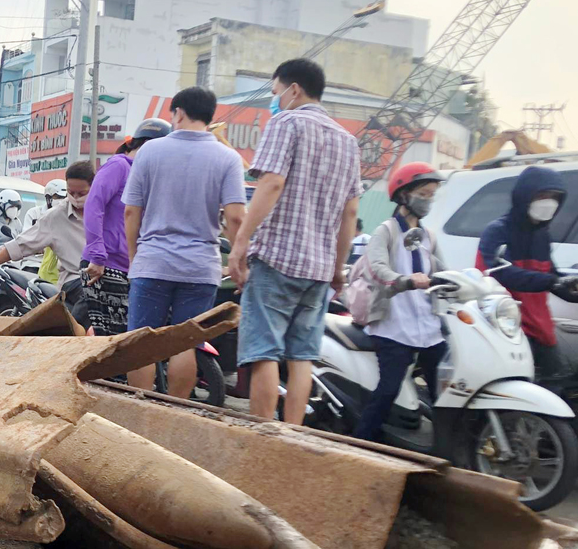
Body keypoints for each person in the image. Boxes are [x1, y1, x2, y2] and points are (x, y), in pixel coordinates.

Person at [229, 58, 361, 423]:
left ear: (294, 89)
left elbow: (271, 183)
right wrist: (338, 268)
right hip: (319, 269)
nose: (275, 100)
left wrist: (240, 245)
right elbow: (350, 212)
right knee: (302, 356)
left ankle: (263, 438)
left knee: (263, 352)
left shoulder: (286, 122)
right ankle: (293, 435)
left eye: (275, 92)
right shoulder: (347, 141)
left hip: (277, 259)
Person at [122, 88, 246, 397]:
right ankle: (176, 410)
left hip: (153, 262)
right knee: (186, 342)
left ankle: (140, 408)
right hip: (200, 267)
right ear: (210, 116)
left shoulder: (149, 152)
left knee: (141, 343)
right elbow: (235, 218)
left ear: (177, 113)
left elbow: (130, 212)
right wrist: (238, 260)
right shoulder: (228, 157)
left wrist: (136, 257)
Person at [352, 162, 447, 442]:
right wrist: (403, 280)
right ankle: (361, 443)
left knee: (444, 389)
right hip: (393, 325)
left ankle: (448, 449)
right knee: (389, 388)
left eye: (432, 195)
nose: (428, 200)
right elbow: (377, 267)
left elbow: (442, 270)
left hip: (429, 326)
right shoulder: (387, 230)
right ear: (404, 195)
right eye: (423, 193)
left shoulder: (429, 236)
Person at [476, 166, 578, 378]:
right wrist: (552, 282)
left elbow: (551, 275)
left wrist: (572, 285)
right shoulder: (498, 231)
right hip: (509, 329)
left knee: (556, 387)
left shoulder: (542, 235)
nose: (548, 202)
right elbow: (502, 274)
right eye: (543, 195)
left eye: (554, 197)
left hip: (541, 329)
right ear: (524, 196)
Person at [81, 118, 171, 336]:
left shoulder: (145, 174)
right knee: (113, 342)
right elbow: (94, 205)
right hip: (105, 265)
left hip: (135, 268)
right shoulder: (119, 166)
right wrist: (97, 255)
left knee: (131, 340)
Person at [0, 161, 95, 292]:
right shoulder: (54, 217)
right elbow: (21, 244)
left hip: (101, 279)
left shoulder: (106, 212)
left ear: (93, 188)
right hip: (72, 284)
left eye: (81, 193)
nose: (76, 198)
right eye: (71, 193)